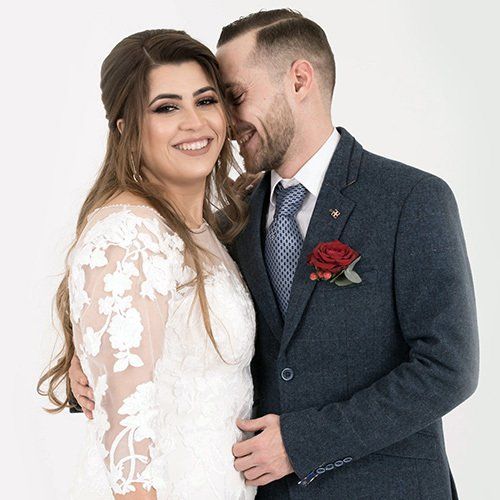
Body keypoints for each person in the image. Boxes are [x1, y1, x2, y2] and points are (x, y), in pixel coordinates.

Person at [69, 9, 480, 499]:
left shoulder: (408, 199)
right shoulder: (231, 218)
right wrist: (92, 360)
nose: (224, 121)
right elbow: (152, 320)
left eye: (229, 97)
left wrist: (302, 442)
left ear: (299, 80)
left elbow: (447, 367)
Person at [37, 29, 258, 499]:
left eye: (205, 100)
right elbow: (129, 454)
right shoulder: (128, 237)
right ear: (125, 128)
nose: (194, 123)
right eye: (166, 108)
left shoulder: (199, 227)